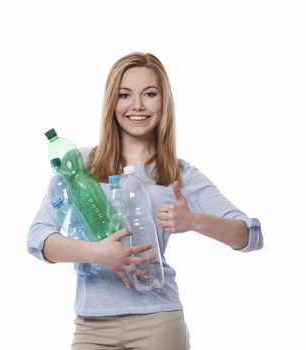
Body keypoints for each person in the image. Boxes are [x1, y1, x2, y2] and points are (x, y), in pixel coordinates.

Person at [27, 52, 263, 350]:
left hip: (159, 323)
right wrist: (97, 253)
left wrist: (194, 220)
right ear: (112, 102)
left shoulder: (177, 173)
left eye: (149, 94)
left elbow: (251, 235)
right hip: (92, 326)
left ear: (164, 102)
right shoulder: (80, 165)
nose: (137, 105)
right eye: (125, 95)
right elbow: (38, 238)